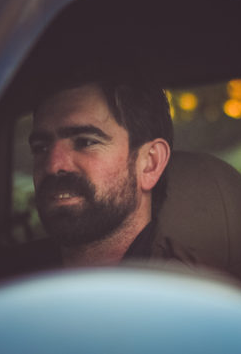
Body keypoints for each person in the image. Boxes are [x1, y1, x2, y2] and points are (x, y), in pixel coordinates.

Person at [26, 71, 173, 267]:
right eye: (40, 148)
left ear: (150, 163)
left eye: (85, 142)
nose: (53, 166)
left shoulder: (185, 291)